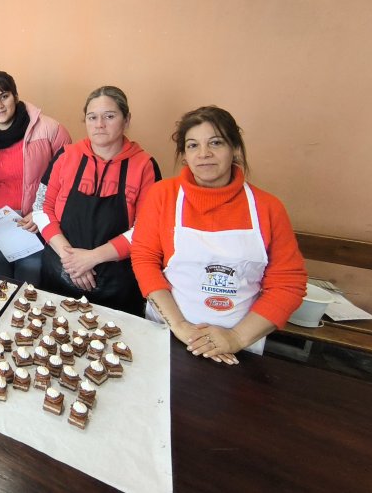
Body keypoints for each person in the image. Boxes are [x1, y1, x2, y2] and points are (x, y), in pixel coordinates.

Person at [131, 106, 307, 363]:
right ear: (184, 156)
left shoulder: (268, 208)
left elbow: (288, 283)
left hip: (239, 348)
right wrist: (180, 326)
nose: (204, 154)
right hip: (169, 334)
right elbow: (144, 259)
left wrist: (236, 337)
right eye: (192, 146)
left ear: (235, 148)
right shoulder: (163, 195)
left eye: (216, 142)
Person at [40, 86, 160, 316]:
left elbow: (146, 230)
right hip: (60, 272)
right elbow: (42, 209)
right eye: (92, 117)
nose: (99, 124)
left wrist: (92, 258)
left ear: (126, 119)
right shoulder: (65, 156)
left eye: (109, 116)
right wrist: (72, 260)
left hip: (117, 286)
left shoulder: (145, 165)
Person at [0, 69, 71, 283]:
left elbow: (67, 181)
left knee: (30, 287)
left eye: (4, 96)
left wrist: (43, 215)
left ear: (15, 97)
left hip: (34, 225)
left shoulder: (50, 130)